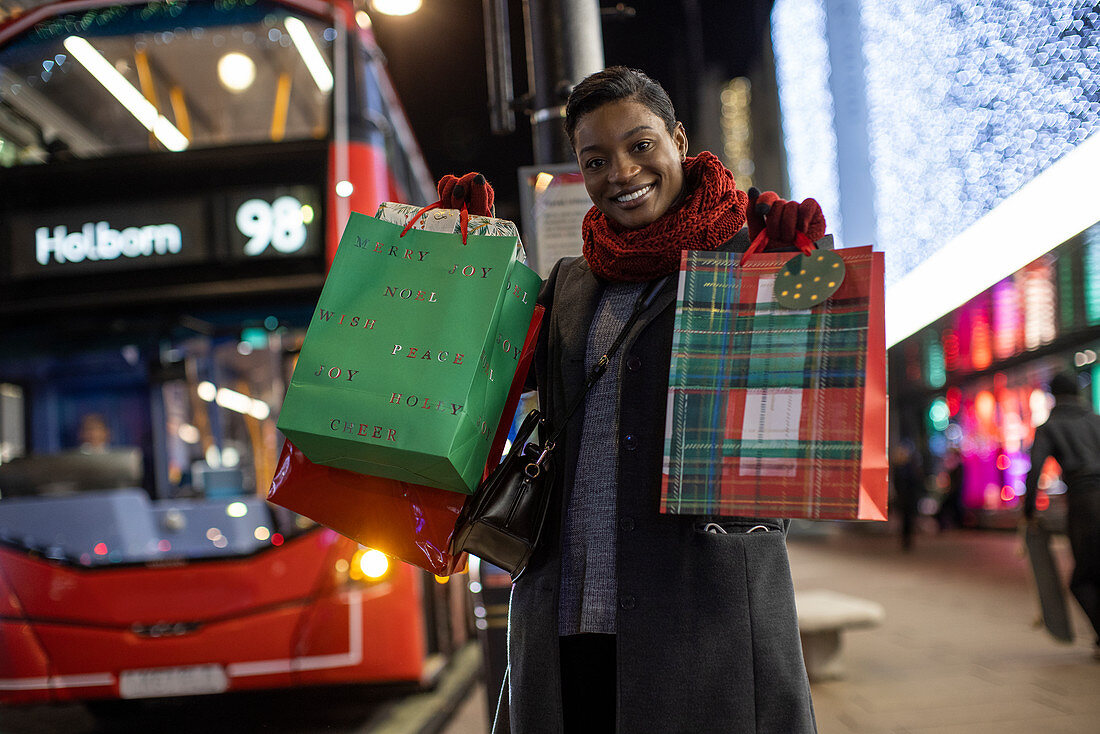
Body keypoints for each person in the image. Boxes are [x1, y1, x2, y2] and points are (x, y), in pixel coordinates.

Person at [492, 67, 821, 733]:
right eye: (596, 159)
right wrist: (456, 255)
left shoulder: (749, 258)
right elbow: (486, 384)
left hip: (702, 621)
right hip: (571, 615)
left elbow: (807, 398)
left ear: (677, 139)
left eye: (640, 146)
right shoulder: (570, 283)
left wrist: (805, 272)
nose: (621, 172)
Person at [1024, 372, 1100, 660]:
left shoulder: (1051, 427)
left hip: (1086, 504)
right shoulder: (1097, 420)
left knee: (1082, 579)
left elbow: (1035, 472)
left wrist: (1028, 512)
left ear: (1053, 395)